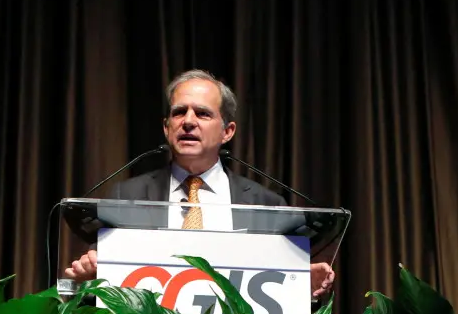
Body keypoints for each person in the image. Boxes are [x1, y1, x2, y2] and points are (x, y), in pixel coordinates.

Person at [63, 69, 336, 299]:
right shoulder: (127, 195)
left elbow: (279, 295)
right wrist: (86, 282)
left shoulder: (266, 204)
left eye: (203, 114)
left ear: (227, 131)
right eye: (179, 112)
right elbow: (102, 289)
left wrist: (301, 284)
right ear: (166, 127)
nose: (189, 122)